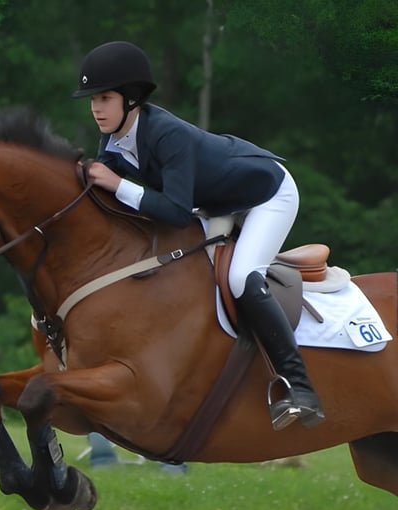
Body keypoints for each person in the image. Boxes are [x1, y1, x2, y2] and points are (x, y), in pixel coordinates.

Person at [72, 41, 325, 431]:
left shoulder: (166, 134)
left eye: (104, 98)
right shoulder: (113, 140)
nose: (95, 108)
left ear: (132, 99)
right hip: (214, 203)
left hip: (265, 194)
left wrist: (119, 183)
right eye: (93, 99)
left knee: (242, 276)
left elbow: (173, 211)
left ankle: (300, 387)